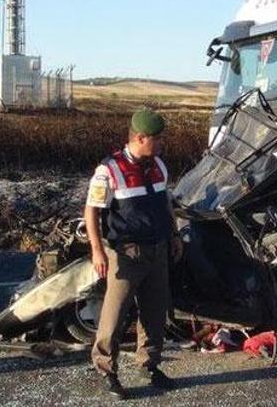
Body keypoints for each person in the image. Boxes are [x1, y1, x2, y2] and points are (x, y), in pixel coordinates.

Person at [84, 108, 180, 400]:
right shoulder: (109, 170)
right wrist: (98, 251)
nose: (161, 143)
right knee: (114, 316)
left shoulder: (158, 166)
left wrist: (174, 234)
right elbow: (91, 211)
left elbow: (166, 203)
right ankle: (106, 370)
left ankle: (149, 365)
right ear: (140, 138)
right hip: (126, 254)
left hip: (157, 250)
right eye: (157, 138)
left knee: (154, 313)